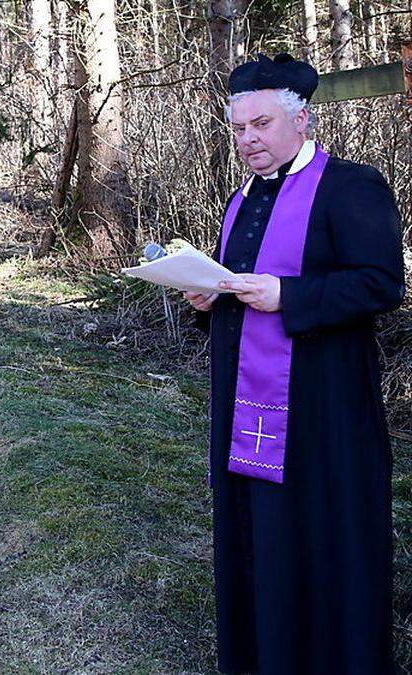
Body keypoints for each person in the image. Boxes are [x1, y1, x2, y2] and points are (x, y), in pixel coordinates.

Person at [181, 54, 404, 674]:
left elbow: (383, 284)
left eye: (260, 126)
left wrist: (291, 296)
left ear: (300, 121)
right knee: (258, 526)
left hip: (323, 401)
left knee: (320, 525)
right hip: (246, 397)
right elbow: (241, 287)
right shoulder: (240, 197)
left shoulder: (351, 186)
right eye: (238, 129)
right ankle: (263, 651)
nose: (248, 140)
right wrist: (210, 299)